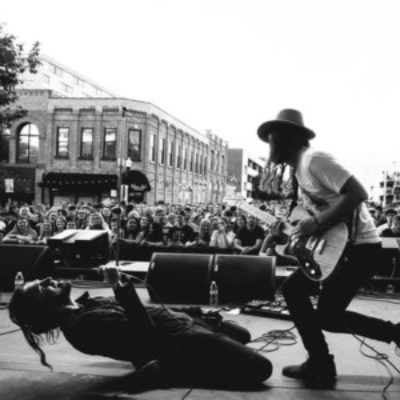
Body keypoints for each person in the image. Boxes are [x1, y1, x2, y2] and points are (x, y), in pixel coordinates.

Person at [257, 109, 400, 387]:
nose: (270, 146)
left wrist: (317, 222)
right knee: (320, 310)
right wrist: (283, 233)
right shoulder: (300, 174)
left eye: (273, 139)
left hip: (359, 249)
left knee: (318, 309)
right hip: (344, 248)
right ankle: (321, 362)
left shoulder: (315, 161)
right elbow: (311, 223)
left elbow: (358, 193)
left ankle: (322, 363)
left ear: (290, 139)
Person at [8, 266, 272, 392]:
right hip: (178, 340)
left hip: (180, 323)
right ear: (42, 307)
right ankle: (174, 372)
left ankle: (178, 365)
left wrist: (200, 313)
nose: (46, 279)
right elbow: (144, 335)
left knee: (242, 334)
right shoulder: (83, 327)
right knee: (261, 369)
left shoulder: (86, 304)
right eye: (40, 287)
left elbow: (151, 311)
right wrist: (120, 287)